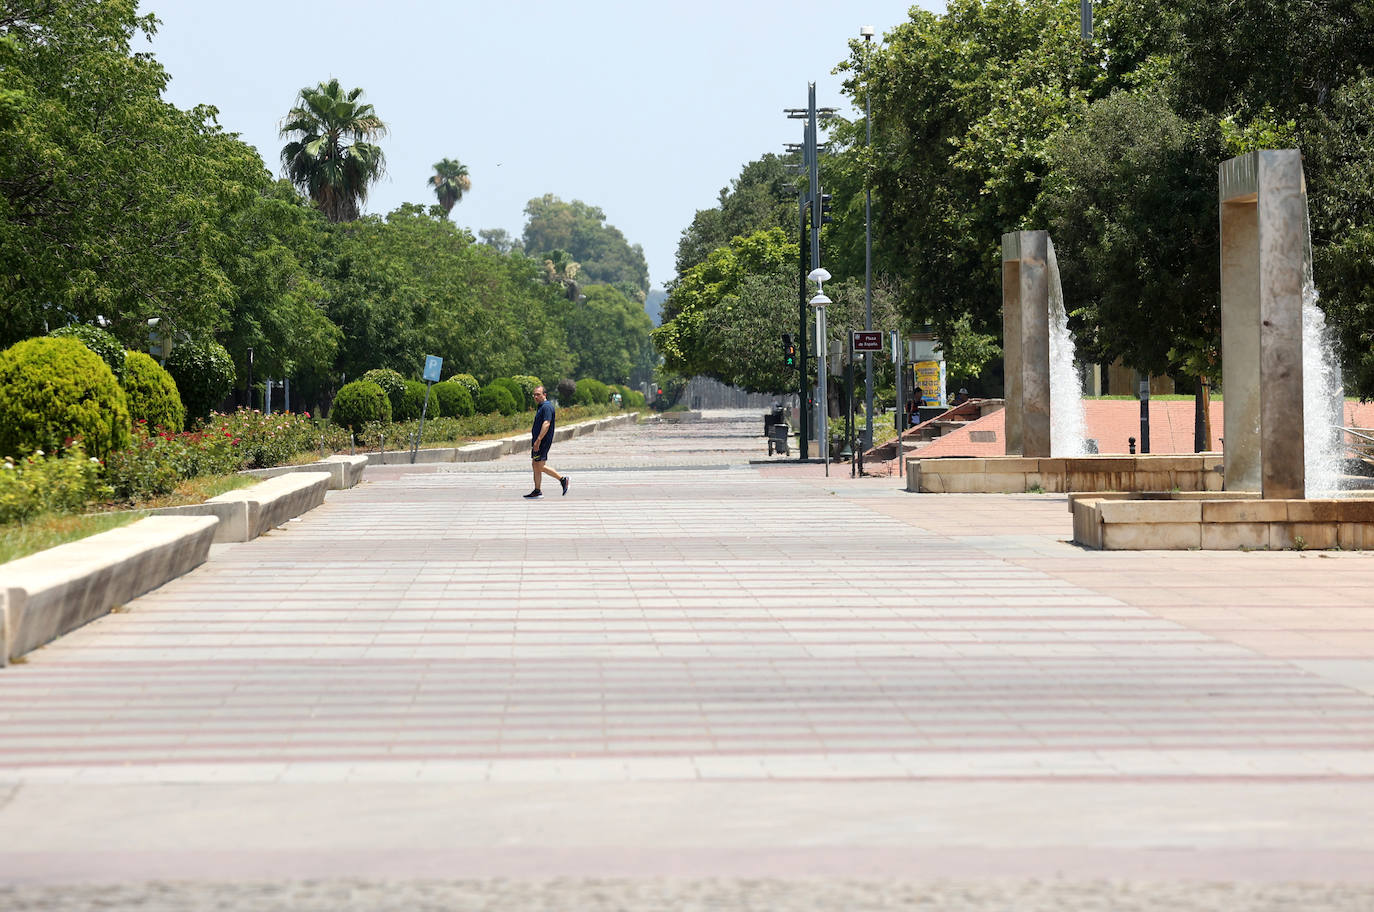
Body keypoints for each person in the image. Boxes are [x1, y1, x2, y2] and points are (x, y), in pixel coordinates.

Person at [525, 385, 569, 499]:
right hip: (538, 440)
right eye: (534, 394)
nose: (535, 397)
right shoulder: (541, 406)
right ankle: (537, 490)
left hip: (542, 441)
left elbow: (547, 423)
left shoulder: (547, 407)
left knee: (539, 466)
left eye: (538, 394)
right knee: (535, 465)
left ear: (544, 395)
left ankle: (563, 479)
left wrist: (538, 440)